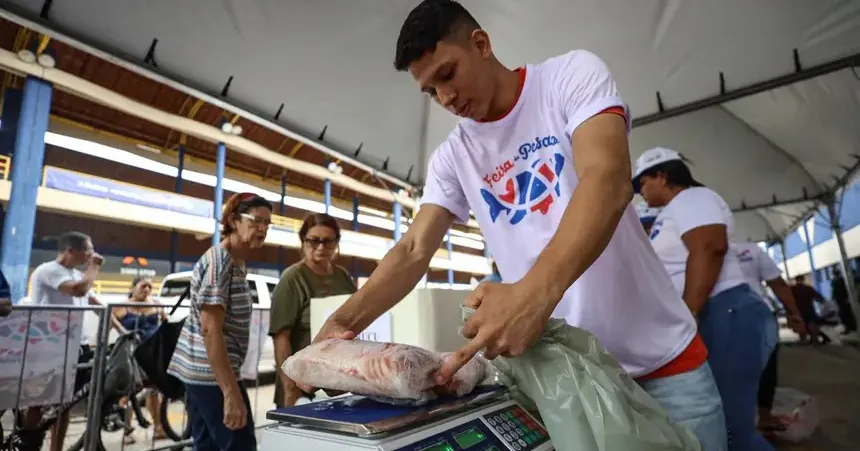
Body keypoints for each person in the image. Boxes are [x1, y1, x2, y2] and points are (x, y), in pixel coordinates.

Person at [310, 1, 726, 449]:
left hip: (664, 364)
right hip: (572, 379)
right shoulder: (453, 157)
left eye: (447, 75)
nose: (446, 98)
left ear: (482, 44)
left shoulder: (568, 77)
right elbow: (414, 250)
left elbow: (606, 179)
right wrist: (339, 326)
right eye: (431, 91)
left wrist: (530, 296)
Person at [634, 147, 778, 451]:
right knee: (723, 427)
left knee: (730, 431)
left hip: (724, 311)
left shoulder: (692, 198)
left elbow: (710, 247)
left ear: (662, 176)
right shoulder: (672, 211)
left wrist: (689, 312)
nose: (641, 192)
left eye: (643, 183)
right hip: (717, 312)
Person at [167, 192, 272, 451]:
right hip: (211, 376)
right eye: (257, 220)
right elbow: (209, 328)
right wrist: (230, 392)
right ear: (234, 220)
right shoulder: (220, 261)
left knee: (209, 446)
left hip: (205, 374)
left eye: (268, 223)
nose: (263, 229)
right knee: (239, 444)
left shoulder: (236, 261)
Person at [21, 232, 122, 451]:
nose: (91, 255)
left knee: (64, 403)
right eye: (88, 250)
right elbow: (78, 289)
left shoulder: (76, 274)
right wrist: (94, 267)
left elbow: (96, 302)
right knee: (38, 401)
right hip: (49, 345)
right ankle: (28, 444)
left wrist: (121, 331)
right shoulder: (49, 271)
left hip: (76, 345)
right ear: (70, 250)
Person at [269, 213, 357, 408]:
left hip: (338, 382)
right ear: (303, 241)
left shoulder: (343, 277)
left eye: (328, 242)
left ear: (336, 242)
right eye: (313, 241)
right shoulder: (292, 278)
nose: (321, 247)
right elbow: (281, 337)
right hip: (301, 385)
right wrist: (289, 386)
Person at [733, 241, 805, 432]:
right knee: (766, 367)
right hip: (757, 314)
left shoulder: (694, 247)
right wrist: (793, 313)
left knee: (732, 369)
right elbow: (777, 283)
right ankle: (763, 417)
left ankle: (739, 420)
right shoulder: (749, 249)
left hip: (723, 316)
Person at [114, 276, 168, 444]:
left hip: (152, 353)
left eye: (150, 287)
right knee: (127, 393)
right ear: (133, 286)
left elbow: (166, 322)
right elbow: (109, 325)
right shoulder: (122, 306)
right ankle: (127, 430)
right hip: (131, 353)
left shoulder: (155, 303)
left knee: (154, 390)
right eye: (143, 286)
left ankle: (159, 428)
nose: (146, 290)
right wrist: (120, 329)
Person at [790, 275, 829, 345]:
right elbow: (818, 297)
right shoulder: (808, 288)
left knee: (800, 325)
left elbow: (788, 299)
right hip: (809, 309)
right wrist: (823, 301)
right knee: (812, 324)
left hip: (798, 310)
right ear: (803, 280)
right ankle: (814, 340)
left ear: (796, 280)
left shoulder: (792, 289)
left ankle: (803, 340)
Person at [830, 269, 858, 337]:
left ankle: (850, 327)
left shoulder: (841, 280)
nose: (835, 275)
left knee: (845, 314)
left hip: (844, 300)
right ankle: (851, 327)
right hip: (840, 300)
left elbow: (846, 289)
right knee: (845, 314)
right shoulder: (835, 281)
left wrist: (847, 298)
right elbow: (833, 291)